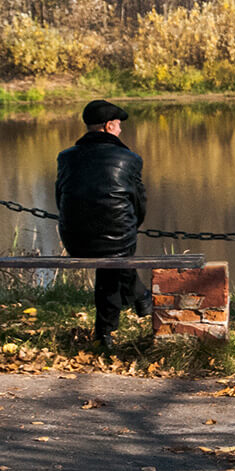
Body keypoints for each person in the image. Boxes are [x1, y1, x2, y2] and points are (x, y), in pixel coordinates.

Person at [55, 99, 152, 347]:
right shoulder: (130, 159)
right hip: (120, 240)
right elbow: (139, 205)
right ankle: (137, 300)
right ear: (109, 126)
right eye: (118, 125)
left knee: (112, 258)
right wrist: (129, 226)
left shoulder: (65, 158)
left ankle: (106, 332)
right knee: (116, 253)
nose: (120, 130)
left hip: (75, 240)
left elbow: (60, 199)